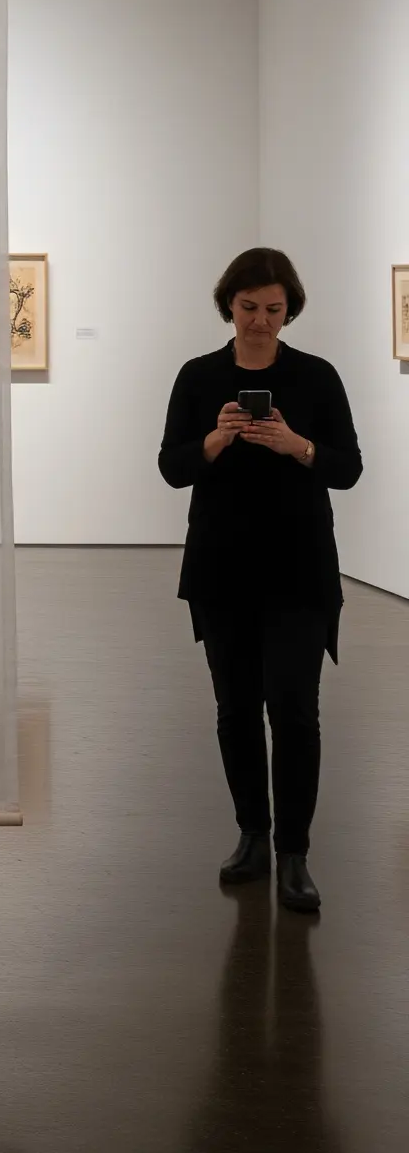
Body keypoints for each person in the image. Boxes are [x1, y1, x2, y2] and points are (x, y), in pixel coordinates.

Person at [159, 248, 362, 914]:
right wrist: (216, 440)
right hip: (222, 571)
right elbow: (172, 466)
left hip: (301, 571)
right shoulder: (198, 378)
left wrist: (297, 446)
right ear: (229, 305)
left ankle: (294, 853)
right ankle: (252, 836)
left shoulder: (317, 377)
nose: (261, 321)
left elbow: (348, 467)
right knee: (237, 711)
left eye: (274, 310)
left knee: (296, 712)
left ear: (289, 309)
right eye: (249, 308)